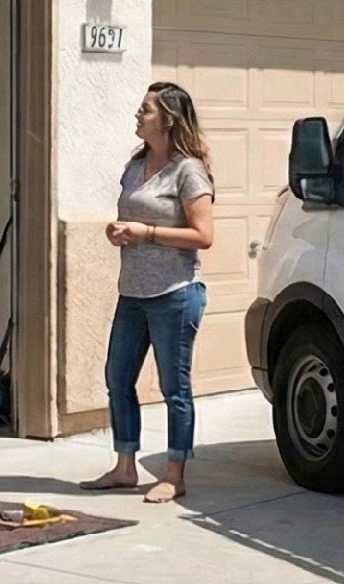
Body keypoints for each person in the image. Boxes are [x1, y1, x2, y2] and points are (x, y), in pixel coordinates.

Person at [80, 81, 214, 504]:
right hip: (133, 293)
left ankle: (174, 474)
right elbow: (131, 218)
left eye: (146, 110)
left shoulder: (189, 170)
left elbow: (203, 235)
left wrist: (148, 233)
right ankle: (124, 467)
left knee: (175, 387)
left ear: (169, 120)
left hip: (175, 292)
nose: (138, 116)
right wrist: (118, 231)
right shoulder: (135, 165)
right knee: (117, 378)